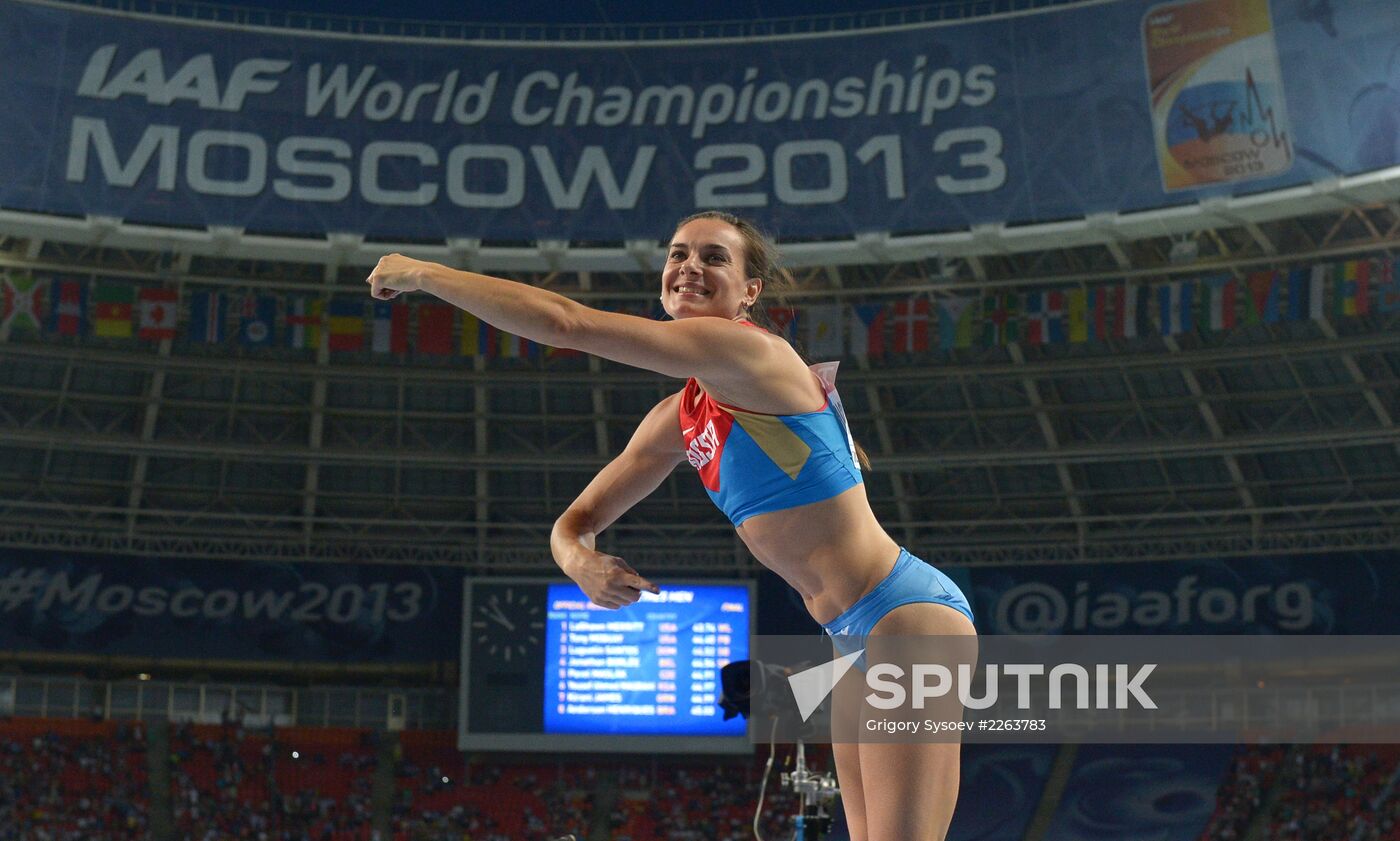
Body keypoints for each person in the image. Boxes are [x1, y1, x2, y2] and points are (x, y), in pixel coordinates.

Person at [366, 210, 977, 841]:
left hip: (902, 619)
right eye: (678, 254)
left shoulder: (749, 351)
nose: (689, 267)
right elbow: (574, 523)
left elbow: (565, 323)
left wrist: (423, 273)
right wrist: (581, 562)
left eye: (715, 258)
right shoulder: (678, 418)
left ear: (750, 291)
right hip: (849, 635)